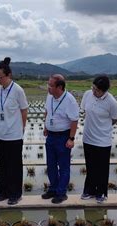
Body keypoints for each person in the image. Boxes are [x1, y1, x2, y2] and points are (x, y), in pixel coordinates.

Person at [0, 57, 29, 205]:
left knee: (14, 165)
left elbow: (24, 110)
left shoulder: (17, 90)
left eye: (0, 77)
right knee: (2, 164)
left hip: (14, 135)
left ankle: (15, 194)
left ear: (9, 75)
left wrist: (21, 128)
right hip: (0, 133)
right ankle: (4, 192)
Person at [80, 75, 117, 203]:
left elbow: (114, 119)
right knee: (90, 167)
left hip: (103, 140)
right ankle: (89, 190)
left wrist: (102, 127)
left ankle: (101, 192)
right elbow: (84, 111)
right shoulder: (87, 95)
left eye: (96, 90)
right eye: (93, 88)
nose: (93, 91)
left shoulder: (112, 102)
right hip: (88, 138)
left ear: (104, 91)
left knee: (102, 168)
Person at [41, 74, 79, 204]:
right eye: (48, 84)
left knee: (63, 166)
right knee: (51, 165)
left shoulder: (70, 100)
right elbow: (47, 111)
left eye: (51, 85)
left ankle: (61, 192)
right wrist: (45, 126)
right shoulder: (50, 96)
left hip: (63, 137)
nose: (48, 87)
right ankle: (53, 188)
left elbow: (74, 120)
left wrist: (71, 138)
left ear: (60, 87)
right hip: (51, 136)